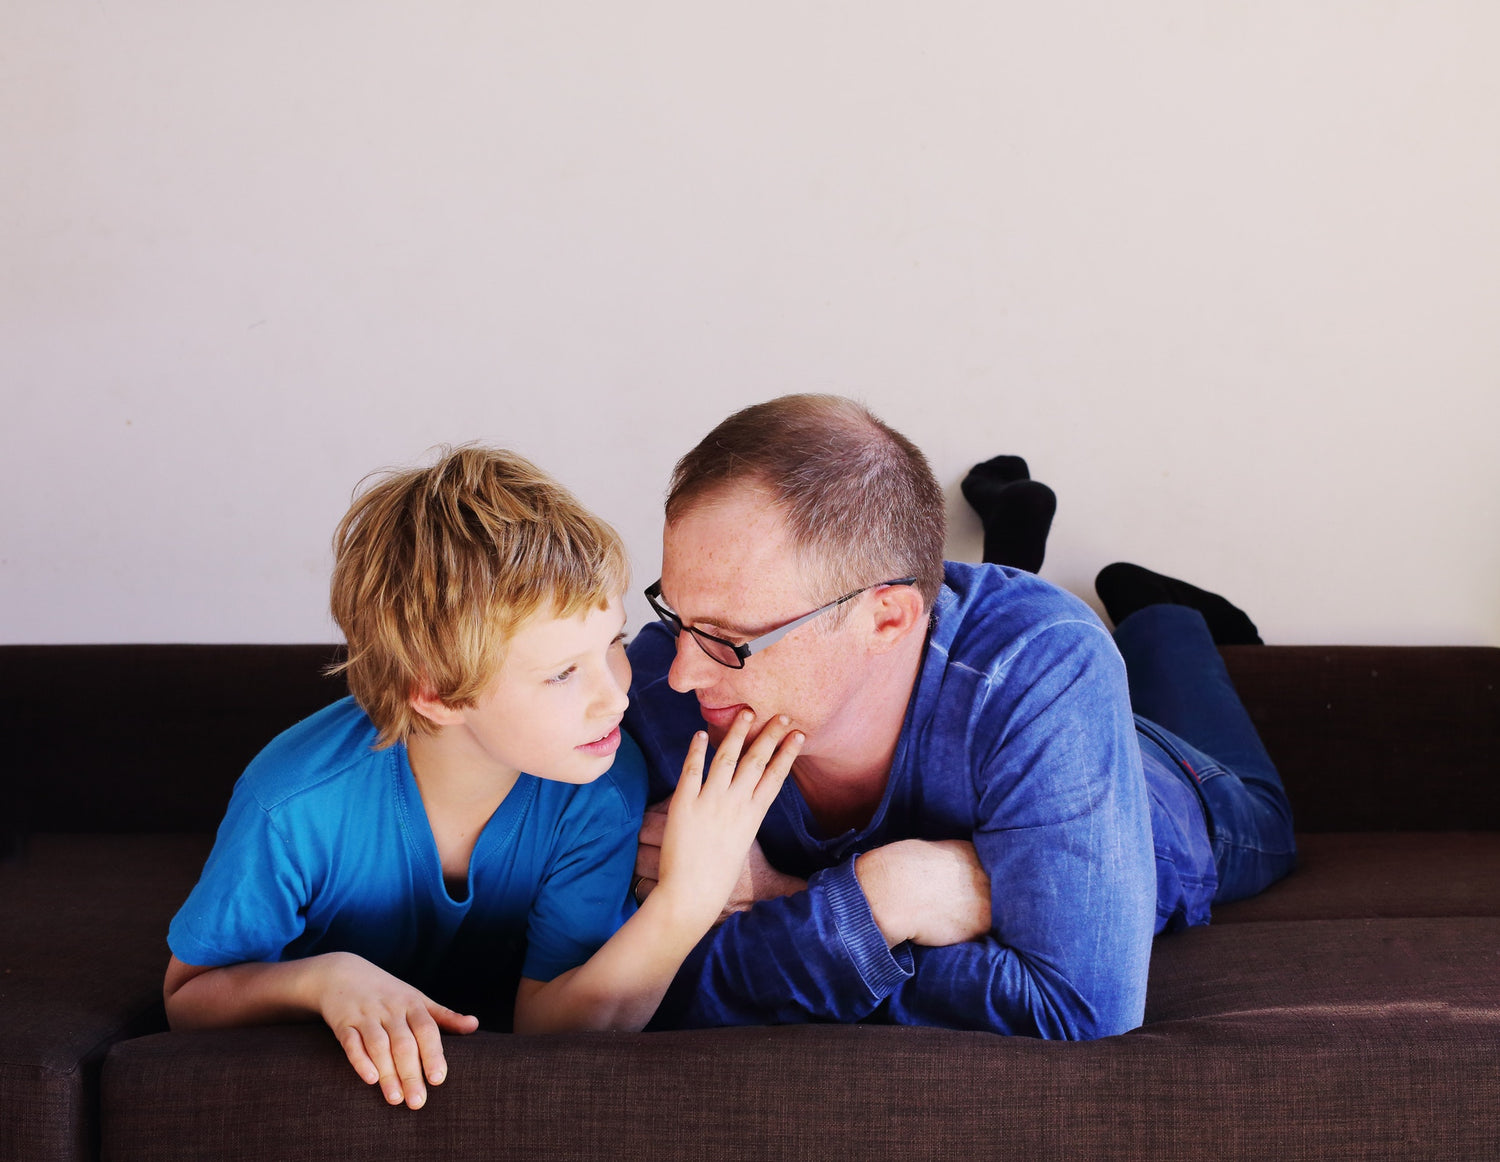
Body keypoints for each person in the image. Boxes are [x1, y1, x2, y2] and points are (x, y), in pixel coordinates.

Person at [624, 395, 1295, 1039]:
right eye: (676, 616)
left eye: (729, 639)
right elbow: (615, 994)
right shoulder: (654, 686)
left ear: (887, 619)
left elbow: (1079, 1011)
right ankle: (1009, 545)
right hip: (985, 701)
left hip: (1156, 783)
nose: (682, 673)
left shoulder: (1046, 659)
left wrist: (832, 902)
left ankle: (1163, 614)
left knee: (1266, 817)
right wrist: (880, 906)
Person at [164, 446, 802, 1108]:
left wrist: (689, 898)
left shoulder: (601, 787)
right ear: (437, 694)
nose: (617, 696)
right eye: (562, 673)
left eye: (613, 644)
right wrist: (322, 980)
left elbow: (552, 1030)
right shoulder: (292, 806)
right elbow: (186, 999)